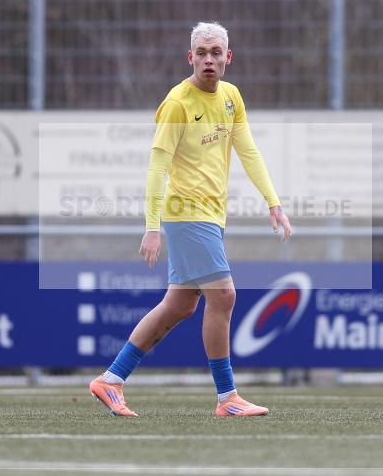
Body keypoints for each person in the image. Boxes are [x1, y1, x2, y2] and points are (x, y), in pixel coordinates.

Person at [89, 21, 292, 417]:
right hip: (186, 213)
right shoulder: (178, 103)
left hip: (211, 215)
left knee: (180, 306)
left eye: (216, 53)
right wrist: (151, 226)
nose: (209, 60)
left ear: (228, 57)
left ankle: (111, 380)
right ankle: (227, 397)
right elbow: (156, 167)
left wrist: (274, 202)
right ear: (191, 58)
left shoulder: (232, 98)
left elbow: (248, 151)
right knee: (224, 296)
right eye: (202, 53)